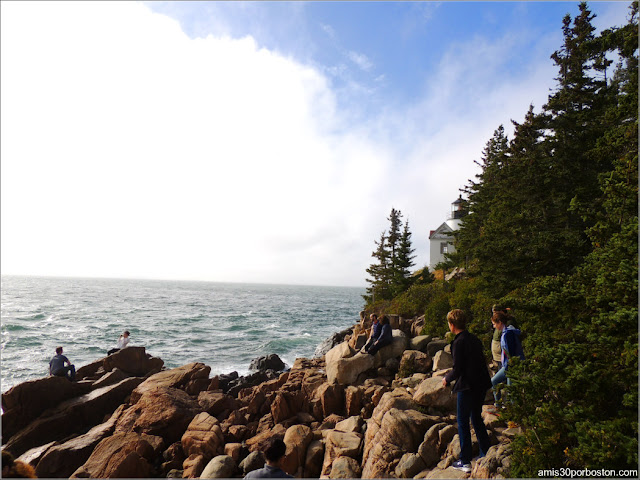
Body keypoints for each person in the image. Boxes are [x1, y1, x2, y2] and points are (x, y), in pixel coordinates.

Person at [442, 309, 492, 473]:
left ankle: (465, 461)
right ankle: (485, 452)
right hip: (481, 383)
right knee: (476, 418)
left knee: (463, 422)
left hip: (468, 386)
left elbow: (457, 369)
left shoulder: (458, 342)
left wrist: (446, 379)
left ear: (452, 324)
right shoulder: (474, 339)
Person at [490, 311, 525, 406]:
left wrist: (510, 365)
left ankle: (508, 409)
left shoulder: (508, 334)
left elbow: (511, 352)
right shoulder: (507, 331)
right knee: (498, 383)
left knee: (509, 389)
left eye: (494, 324)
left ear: (500, 322)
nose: (494, 326)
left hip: (510, 366)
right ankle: (500, 405)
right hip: (508, 365)